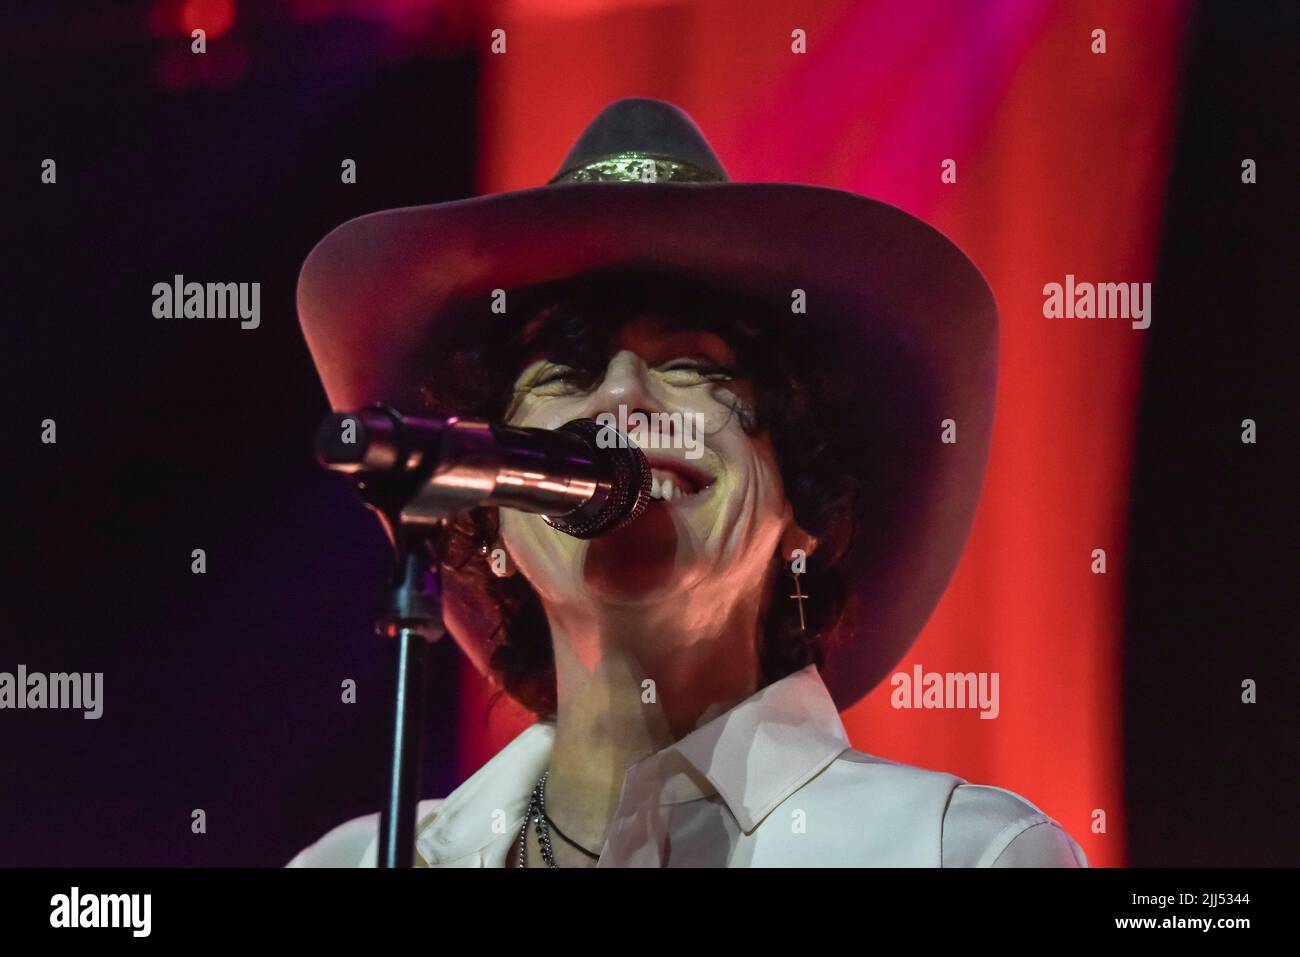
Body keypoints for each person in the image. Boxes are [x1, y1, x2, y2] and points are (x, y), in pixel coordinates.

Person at [288, 98, 1086, 867]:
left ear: (804, 510)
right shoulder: (364, 861)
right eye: (566, 374)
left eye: (690, 366)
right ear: (492, 518)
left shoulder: (960, 853)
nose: (621, 399)